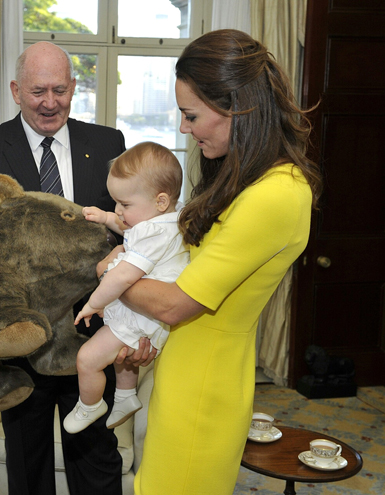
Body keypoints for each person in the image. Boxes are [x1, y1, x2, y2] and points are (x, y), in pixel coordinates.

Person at [102, 30, 322, 495]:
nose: (184, 128)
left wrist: (108, 271)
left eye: (191, 115)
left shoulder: (277, 193)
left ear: (238, 107)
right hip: (183, 367)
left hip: (204, 386)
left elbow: (176, 304)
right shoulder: (245, 179)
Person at [0, 41, 128, 495]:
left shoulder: (108, 143)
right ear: (15, 90)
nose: (50, 102)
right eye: (38, 91)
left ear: (73, 88)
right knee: (26, 459)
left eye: (60, 90)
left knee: (95, 452)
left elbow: (130, 232)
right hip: (18, 336)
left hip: (91, 329)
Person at [62, 142, 189, 434]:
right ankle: (125, 396)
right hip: (149, 314)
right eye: (116, 204)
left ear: (159, 201)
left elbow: (121, 278)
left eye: (125, 205)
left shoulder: (153, 232)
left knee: (88, 359)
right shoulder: (168, 219)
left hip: (143, 313)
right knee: (122, 358)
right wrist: (108, 219)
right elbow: (133, 231)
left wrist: (94, 303)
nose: (118, 210)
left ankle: (90, 405)